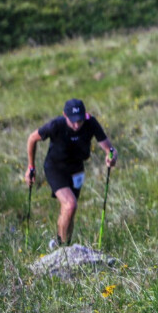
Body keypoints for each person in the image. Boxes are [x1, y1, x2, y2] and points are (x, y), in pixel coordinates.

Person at [25, 99, 117, 249]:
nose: (76, 125)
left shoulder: (90, 123)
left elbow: (110, 149)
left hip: (76, 169)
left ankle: (61, 243)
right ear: (65, 115)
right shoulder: (56, 125)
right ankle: (62, 248)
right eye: (73, 121)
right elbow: (32, 138)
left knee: (69, 210)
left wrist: (111, 156)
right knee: (70, 205)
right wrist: (31, 167)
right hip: (56, 168)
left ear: (84, 115)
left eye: (80, 120)